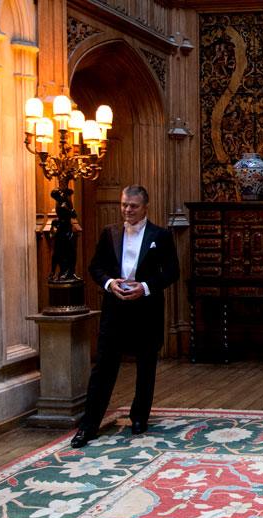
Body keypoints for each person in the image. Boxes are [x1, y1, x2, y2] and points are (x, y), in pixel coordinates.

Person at [70, 185, 180, 448]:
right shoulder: (110, 233)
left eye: (133, 206)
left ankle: (139, 417)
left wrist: (145, 287)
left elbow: (172, 272)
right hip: (115, 308)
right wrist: (109, 283)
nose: (127, 210)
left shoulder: (160, 235)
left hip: (146, 309)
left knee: (146, 366)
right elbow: (95, 266)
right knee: (104, 368)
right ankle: (89, 425)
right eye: (124, 205)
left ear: (145, 207)